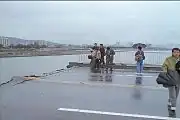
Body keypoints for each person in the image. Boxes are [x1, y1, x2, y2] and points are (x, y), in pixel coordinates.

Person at [161, 48, 180, 117]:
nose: (176, 53)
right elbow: (164, 66)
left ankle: (170, 100)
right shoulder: (168, 59)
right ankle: (173, 105)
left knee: (177, 91)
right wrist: (165, 72)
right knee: (172, 92)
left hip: (178, 78)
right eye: (175, 52)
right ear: (172, 53)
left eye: (178, 52)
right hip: (171, 77)